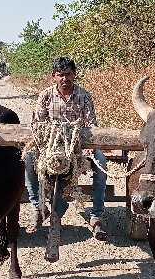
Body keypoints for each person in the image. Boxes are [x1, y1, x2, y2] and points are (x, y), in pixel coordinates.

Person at [25, 56, 108, 240]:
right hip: (50, 146)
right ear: (54, 76)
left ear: (74, 75)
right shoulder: (45, 95)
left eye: (68, 74)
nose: (65, 78)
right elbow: (38, 125)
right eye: (60, 75)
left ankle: (96, 216)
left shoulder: (84, 95)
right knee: (29, 157)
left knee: (101, 162)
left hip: (78, 147)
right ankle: (38, 208)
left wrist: (91, 148)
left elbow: (91, 124)